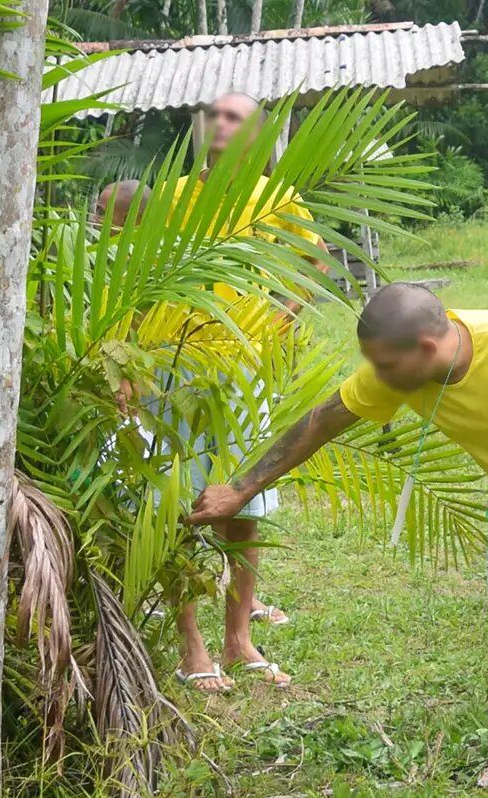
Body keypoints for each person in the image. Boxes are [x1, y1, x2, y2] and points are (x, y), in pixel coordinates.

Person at [186, 283, 488, 798]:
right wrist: (242, 489)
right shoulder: (399, 373)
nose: (375, 377)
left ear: (427, 349)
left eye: (384, 364)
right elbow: (322, 421)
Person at [165, 92, 326, 692]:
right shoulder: (175, 195)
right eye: (213, 114)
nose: (219, 124)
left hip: (244, 373)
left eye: (235, 117)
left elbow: (315, 264)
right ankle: (191, 646)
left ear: (259, 135)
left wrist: (280, 316)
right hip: (176, 364)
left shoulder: (278, 199)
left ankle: (238, 638)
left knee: (244, 503)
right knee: (176, 502)